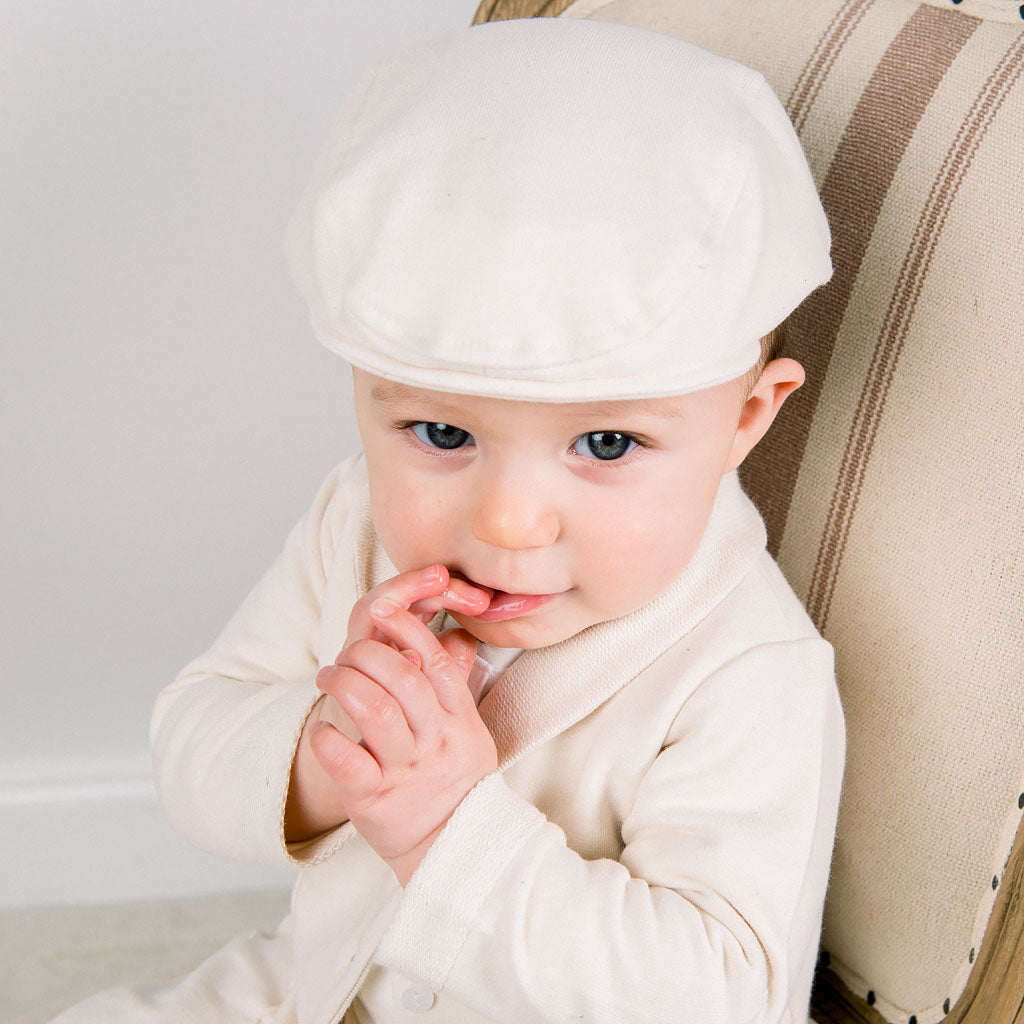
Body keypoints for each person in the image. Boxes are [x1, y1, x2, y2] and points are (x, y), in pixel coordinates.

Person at [53, 16, 844, 1024]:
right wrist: (324, 747)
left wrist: (445, 826)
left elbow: (718, 996)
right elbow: (193, 742)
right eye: (439, 431)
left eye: (605, 445)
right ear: (361, 394)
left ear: (745, 417)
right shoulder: (355, 524)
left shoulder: (748, 666)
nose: (509, 523)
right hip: (318, 985)